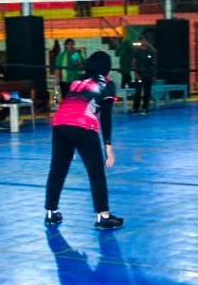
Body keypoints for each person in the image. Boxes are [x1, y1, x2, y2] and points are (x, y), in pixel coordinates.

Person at [44, 51, 123, 230]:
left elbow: (66, 105)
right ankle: (103, 216)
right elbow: (106, 117)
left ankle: (51, 212)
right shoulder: (107, 83)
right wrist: (108, 147)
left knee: (57, 170)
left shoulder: (76, 81)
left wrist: (70, 146)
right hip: (83, 126)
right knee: (96, 172)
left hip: (59, 125)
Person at [132, 34, 157, 115]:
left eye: (145, 40)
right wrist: (136, 73)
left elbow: (153, 64)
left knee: (147, 92)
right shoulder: (136, 52)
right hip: (139, 75)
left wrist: (153, 75)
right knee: (138, 92)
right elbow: (134, 63)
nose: (144, 42)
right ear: (140, 41)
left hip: (148, 75)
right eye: (142, 40)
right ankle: (136, 108)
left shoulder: (151, 52)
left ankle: (145, 108)